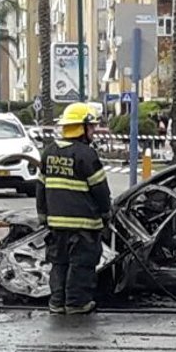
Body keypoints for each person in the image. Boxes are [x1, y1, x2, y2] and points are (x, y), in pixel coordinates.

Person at [37, 103, 113, 315]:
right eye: (91, 127)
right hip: (84, 225)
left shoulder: (49, 152)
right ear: (81, 127)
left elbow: (40, 187)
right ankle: (77, 304)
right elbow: (100, 190)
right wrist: (106, 212)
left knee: (59, 263)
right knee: (81, 265)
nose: (94, 131)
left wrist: (43, 216)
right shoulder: (86, 155)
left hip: (56, 226)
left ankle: (57, 302)